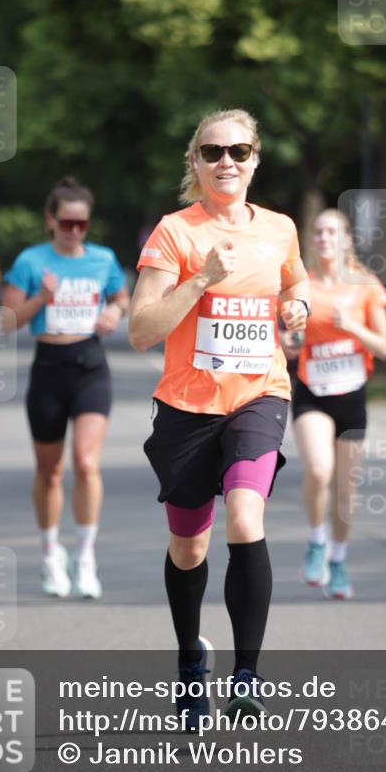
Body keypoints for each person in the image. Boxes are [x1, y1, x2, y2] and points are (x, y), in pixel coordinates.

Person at [129, 109, 310, 728]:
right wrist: (202, 279)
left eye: (238, 150)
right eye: (212, 152)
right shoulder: (174, 233)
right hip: (187, 408)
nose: (226, 161)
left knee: (245, 517)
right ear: (196, 162)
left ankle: (247, 676)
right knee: (188, 547)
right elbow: (141, 330)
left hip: (259, 396)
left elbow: (296, 286)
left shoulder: (280, 228)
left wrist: (299, 308)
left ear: (255, 158)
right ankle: (189, 660)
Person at [1, 176, 129, 599]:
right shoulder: (31, 261)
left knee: (87, 464)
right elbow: (6, 320)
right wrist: (41, 298)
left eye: (82, 224)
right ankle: (49, 552)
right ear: (50, 221)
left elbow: (121, 298)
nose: (74, 231)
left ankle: (86, 554)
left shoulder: (103, 258)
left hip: (90, 366)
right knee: (50, 471)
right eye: (67, 223)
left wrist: (114, 313)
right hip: (48, 369)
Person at [282, 208, 386, 600]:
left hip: (351, 394)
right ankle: (317, 542)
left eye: (332, 232)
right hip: (312, 391)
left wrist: (354, 326)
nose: (324, 238)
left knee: (345, 490)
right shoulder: (303, 287)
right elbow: (289, 343)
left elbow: (385, 347)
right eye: (318, 232)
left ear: (346, 240)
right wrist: (290, 341)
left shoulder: (366, 286)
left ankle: (339, 560)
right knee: (318, 470)